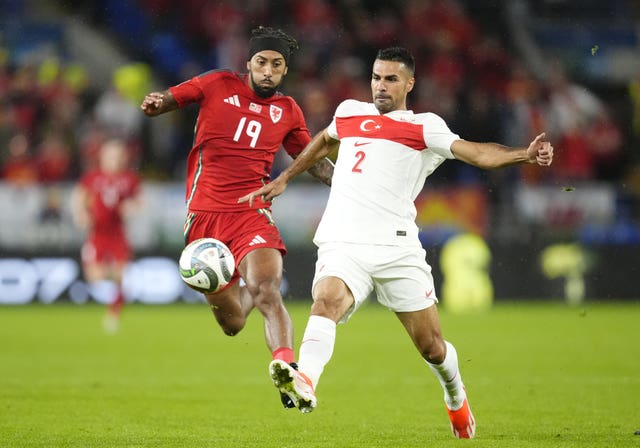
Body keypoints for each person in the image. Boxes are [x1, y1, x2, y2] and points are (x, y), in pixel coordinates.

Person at [239, 47, 553, 438]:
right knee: (326, 300)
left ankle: (455, 394)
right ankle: (306, 379)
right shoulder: (350, 111)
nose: (380, 86)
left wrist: (524, 154)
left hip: (396, 248)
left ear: (409, 83)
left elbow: (476, 153)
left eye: (390, 79)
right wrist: (286, 177)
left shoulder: (425, 127)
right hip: (344, 241)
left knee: (431, 347)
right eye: (375, 77)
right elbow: (323, 139)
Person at [140, 26, 333, 407]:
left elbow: (310, 159)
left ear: (284, 71)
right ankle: (240, 297)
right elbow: (173, 98)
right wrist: (157, 103)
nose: (268, 70)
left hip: (252, 213)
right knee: (233, 324)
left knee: (267, 290)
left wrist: (347, 184)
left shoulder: (288, 111)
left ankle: (288, 370)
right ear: (249, 64)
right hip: (205, 218)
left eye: (276, 65)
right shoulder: (217, 83)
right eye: (261, 62)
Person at [72, 138, 142, 332]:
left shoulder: (129, 179)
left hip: (118, 234)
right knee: (95, 276)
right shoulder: (93, 177)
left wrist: (131, 207)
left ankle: (113, 314)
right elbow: (80, 196)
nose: (115, 160)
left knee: (121, 276)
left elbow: (138, 200)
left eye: (118, 156)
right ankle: (110, 293)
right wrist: (81, 213)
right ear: (102, 157)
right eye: (111, 155)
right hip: (97, 234)